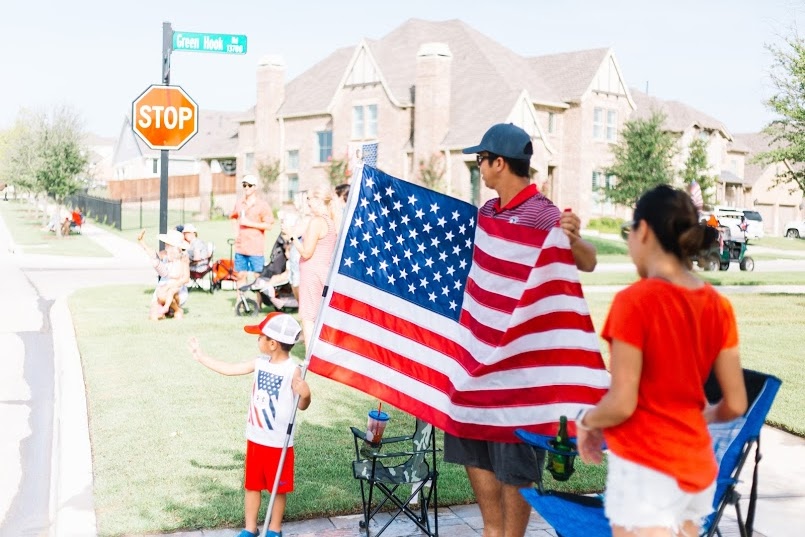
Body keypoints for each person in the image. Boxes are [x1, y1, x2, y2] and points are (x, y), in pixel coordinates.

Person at [451, 122, 598, 537]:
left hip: (520, 368)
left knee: (515, 458)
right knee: (472, 440)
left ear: (499, 163)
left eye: (481, 159)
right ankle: (492, 532)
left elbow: (586, 262)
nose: (478, 167)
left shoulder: (543, 213)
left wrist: (572, 238)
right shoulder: (487, 213)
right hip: (478, 360)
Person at [575, 184, 748, 537]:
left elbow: (623, 402)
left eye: (629, 233)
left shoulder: (634, 302)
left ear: (645, 231)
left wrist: (586, 420)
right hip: (696, 469)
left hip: (646, 471)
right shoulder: (718, 306)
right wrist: (706, 415)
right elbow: (736, 403)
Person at [188, 312, 311, 537]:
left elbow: (301, 405)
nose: (258, 340)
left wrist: (305, 394)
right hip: (256, 438)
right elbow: (230, 369)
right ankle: (250, 527)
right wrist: (201, 357)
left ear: (273, 344)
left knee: (278, 488)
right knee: (252, 485)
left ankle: (274, 529)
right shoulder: (259, 363)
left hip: (278, 442)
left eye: (261, 337)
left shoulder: (292, 370)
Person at [283, 184, 341, 348]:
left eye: (309, 199)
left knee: (308, 317)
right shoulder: (331, 221)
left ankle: (309, 357)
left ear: (318, 200)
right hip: (323, 272)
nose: (307, 202)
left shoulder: (316, 222)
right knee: (320, 315)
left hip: (311, 273)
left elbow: (307, 253)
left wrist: (292, 236)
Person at [231, 174, 275, 296]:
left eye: (249, 185)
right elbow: (234, 217)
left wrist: (249, 223)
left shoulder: (262, 205)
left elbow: (269, 225)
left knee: (258, 277)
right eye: (244, 185)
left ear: (255, 187)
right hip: (241, 247)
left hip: (256, 247)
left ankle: (258, 304)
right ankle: (240, 302)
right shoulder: (239, 203)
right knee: (240, 275)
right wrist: (235, 233)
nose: (246, 188)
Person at [138, 229, 190, 320]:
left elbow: (186, 279)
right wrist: (142, 242)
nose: (165, 246)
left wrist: (170, 286)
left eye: (168, 244)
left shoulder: (183, 259)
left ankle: (177, 310)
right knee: (153, 316)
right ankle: (167, 310)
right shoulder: (164, 254)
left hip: (176, 290)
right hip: (162, 288)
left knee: (163, 294)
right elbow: (152, 254)